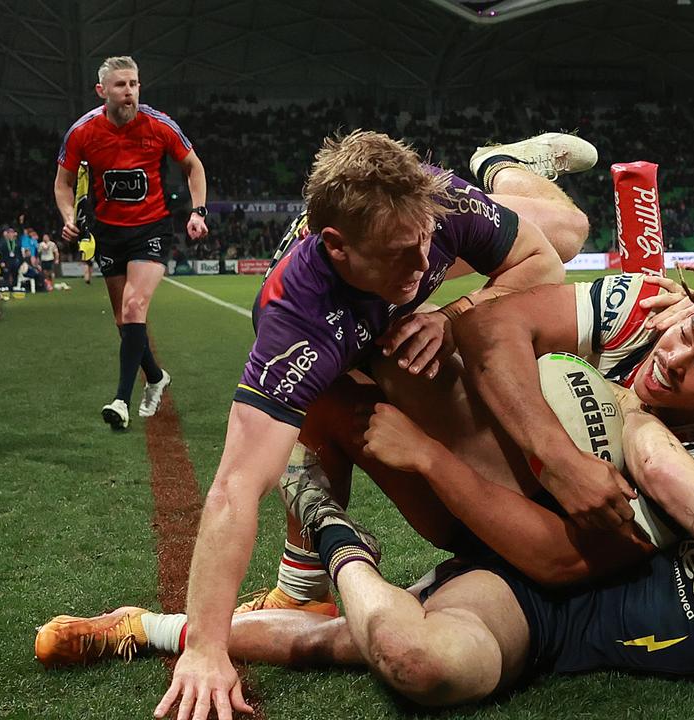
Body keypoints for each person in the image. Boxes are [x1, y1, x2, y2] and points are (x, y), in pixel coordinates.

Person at [35, 393, 694, 713]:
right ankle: (316, 547)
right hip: (542, 579)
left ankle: (150, 623)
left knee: (360, 645)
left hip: (552, 624)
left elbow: (654, 459)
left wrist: (631, 408)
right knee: (408, 654)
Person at [145, 127, 568, 716]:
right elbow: (236, 486)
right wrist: (206, 647)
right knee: (316, 395)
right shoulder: (296, 320)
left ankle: (504, 165)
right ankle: (302, 583)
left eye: (425, 244)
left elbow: (544, 262)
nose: (423, 267)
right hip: (340, 336)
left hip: (463, 211)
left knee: (569, 230)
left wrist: (455, 314)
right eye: (400, 253)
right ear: (338, 247)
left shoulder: (436, 206)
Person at [241, 270, 694, 612]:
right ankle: (302, 586)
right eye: (686, 334)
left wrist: (429, 456)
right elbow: (495, 328)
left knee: (379, 366)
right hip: (520, 457)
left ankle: (515, 180)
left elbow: (565, 561)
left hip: (512, 532)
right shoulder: (648, 308)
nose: (674, 358)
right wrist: (558, 460)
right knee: (332, 380)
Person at [54, 55, 206, 430]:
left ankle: (121, 399)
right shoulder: (82, 132)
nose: (129, 92)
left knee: (135, 305)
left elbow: (194, 166)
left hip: (151, 229)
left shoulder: (159, 125)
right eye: (121, 85)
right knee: (125, 321)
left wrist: (198, 211)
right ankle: (155, 376)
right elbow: (63, 183)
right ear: (101, 90)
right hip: (109, 232)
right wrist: (69, 218)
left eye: (134, 84)